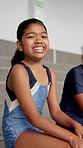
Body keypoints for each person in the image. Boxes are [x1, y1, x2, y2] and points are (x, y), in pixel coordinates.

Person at [2, 18, 83, 148]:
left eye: (43, 36)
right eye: (31, 36)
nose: (39, 40)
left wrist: (76, 125)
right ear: (20, 45)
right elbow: (33, 117)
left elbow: (56, 112)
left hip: (36, 128)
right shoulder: (19, 71)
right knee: (71, 145)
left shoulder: (50, 73)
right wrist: (71, 137)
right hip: (17, 132)